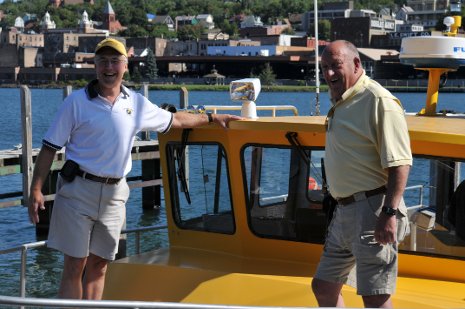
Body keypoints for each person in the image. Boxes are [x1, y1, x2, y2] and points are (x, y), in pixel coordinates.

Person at [27, 37, 242, 300]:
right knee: (75, 264)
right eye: (103, 61)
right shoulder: (75, 103)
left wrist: (211, 117)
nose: (108, 67)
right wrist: (36, 189)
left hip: (114, 194)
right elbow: (49, 148)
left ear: (125, 66)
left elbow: (174, 120)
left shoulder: (136, 103)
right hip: (77, 192)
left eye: (114, 61)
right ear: (94, 66)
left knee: (99, 265)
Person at [311, 40, 412, 308]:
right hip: (344, 210)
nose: (329, 74)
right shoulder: (343, 99)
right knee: (323, 286)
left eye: (335, 66)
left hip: (374, 208)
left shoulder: (378, 101)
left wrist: (388, 214)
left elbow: (400, 163)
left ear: (356, 64)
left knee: (375, 295)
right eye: (324, 68)